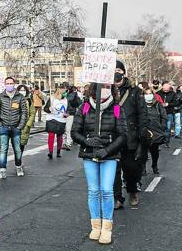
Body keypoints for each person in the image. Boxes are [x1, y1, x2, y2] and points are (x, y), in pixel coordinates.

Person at [71, 82, 127, 245]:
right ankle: (95, 226)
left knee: (107, 190)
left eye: (108, 87)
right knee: (94, 191)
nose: (105, 90)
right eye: (102, 87)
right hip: (89, 155)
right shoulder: (85, 107)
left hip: (109, 156)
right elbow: (74, 132)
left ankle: (107, 228)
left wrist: (107, 150)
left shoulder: (117, 108)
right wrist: (87, 141)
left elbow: (123, 135)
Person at [112, 60, 147, 209]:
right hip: (112, 136)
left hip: (130, 137)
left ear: (123, 73)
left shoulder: (135, 91)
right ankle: (117, 198)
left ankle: (132, 191)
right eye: (113, 70)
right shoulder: (105, 90)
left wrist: (142, 138)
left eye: (118, 70)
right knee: (113, 170)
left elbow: (143, 115)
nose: (116, 73)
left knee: (131, 168)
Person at [0, 77, 28, 178]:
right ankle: (2, 171)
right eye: (7, 83)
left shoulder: (20, 97)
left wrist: (20, 126)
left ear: (14, 84)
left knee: (17, 149)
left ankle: (18, 167)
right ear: (5, 84)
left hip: (16, 127)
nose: (9, 85)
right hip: (3, 127)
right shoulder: (0, 97)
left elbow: (24, 112)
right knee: (3, 149)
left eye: (11, 83)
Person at [142, 87, 167, 174]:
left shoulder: (157, 104)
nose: (148, 96)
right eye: (146, 94)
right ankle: (143, 168)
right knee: (144, 150)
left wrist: (162, 126)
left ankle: (154, 165)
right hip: (145, 130)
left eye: (150, 94)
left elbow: (163, 116)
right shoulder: (141, 104)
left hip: (156, 131)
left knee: (154, 150)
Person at [18, 84, 36, 175]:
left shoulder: (29, 100)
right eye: (20, 90)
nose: (22, 92)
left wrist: (29, 124)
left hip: (25, 127)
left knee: (22, 144)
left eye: (23, 90)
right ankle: (18, 161)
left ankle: (19, 159)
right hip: (15, 126)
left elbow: (32, 113)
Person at [45, 86, 68, 159]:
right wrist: (49, 109)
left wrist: (66, 114)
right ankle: (50, 152)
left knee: (59, 136)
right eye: (64, 92)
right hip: (51, 119)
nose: (66, 93)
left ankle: (58, 152)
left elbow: (69, 110)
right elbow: (45, 108)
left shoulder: (66, 100)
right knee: (51, 135)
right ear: (60, 92)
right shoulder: (52, 98)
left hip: (61, 120)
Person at [159, 81, 181, 146]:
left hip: (169, 112)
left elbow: (176, 103)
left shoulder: (173, 93)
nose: (166, 91)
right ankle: (160, 139)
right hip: (159, 113)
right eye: (165, 89)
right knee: (160, 127)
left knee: (168, 127)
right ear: (162, 87)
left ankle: (167, 141)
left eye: (167, 89)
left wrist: (168, 104)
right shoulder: (158, 93)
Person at [64, 85, 82, 151]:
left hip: (68, 113)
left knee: (67, 129)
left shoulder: (68, 95)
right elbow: (80, 103)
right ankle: (67, 142)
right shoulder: (74, 95)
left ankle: (68, 143)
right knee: (68, 128)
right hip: (70, 113)